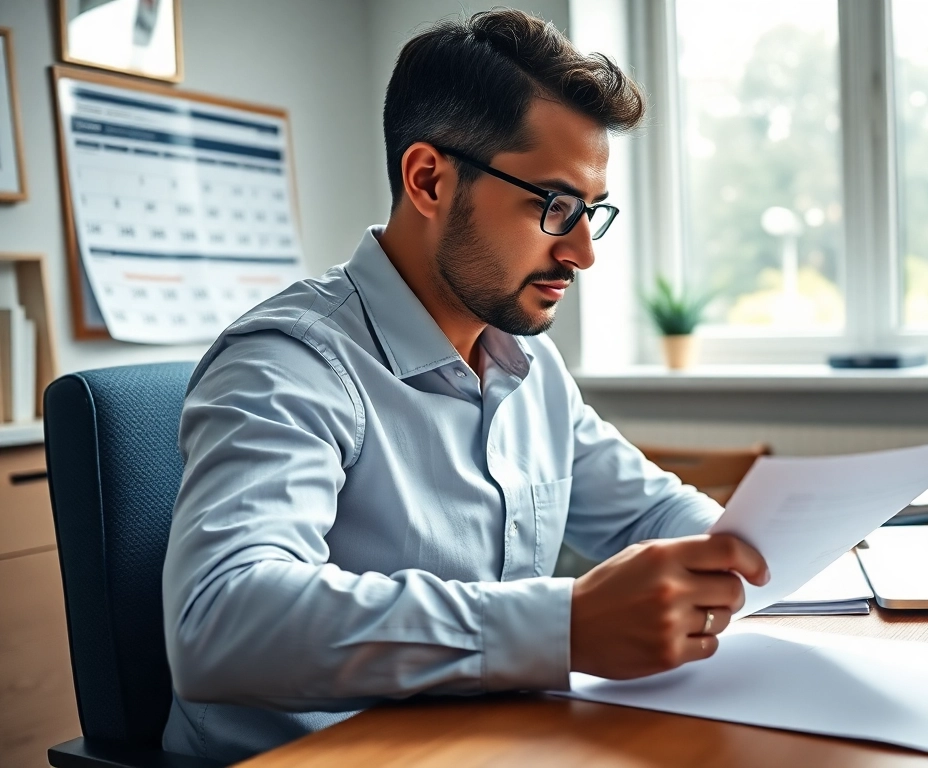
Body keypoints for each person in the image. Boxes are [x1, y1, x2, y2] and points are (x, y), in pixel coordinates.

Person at [160, 9, 769, 762]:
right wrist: (566, 625)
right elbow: (218, 622)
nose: (582, 252)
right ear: (429, 180)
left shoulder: (525, 362)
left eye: (592, 212)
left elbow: (650, 511)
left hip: (489, 742)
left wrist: (772, 551)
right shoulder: (290, 363)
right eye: (554, 207)